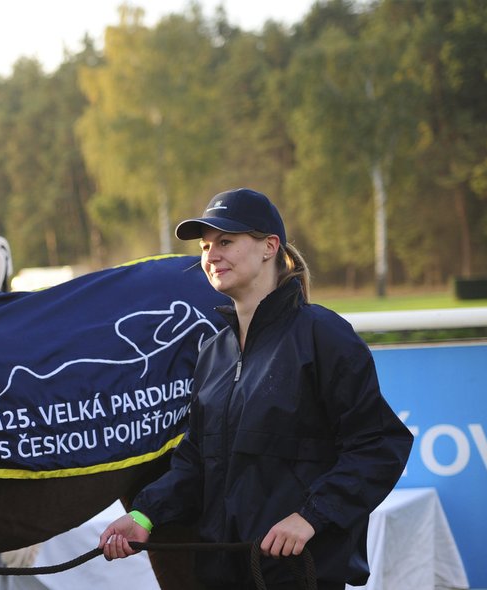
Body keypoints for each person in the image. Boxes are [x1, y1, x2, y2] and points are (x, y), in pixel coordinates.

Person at [98, 188, 413, 590]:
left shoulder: (323, 334)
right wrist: (144, 516)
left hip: (296, 572)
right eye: (206, 245)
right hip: (219, 572)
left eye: (226, 241)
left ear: (270, 246)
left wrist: (311, 517)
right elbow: (195, 462)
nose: (211, 256)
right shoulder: (214, 352)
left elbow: (378, 445)